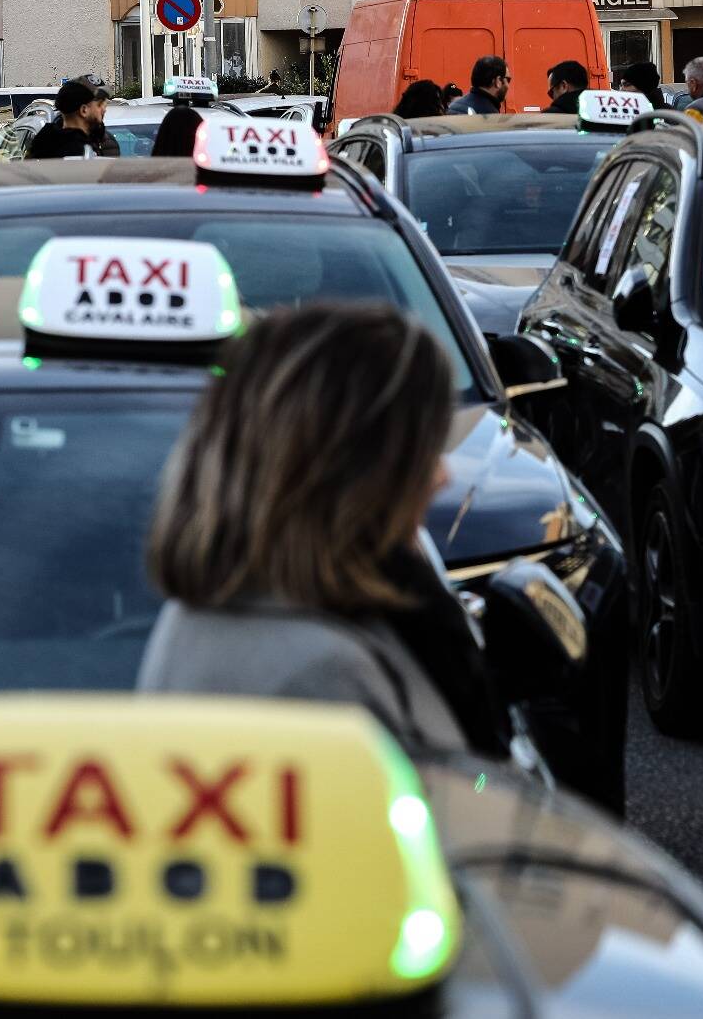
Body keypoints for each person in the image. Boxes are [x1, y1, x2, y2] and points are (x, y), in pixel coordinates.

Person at [140, 304, 510, 756]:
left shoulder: (229, 611)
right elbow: (452, 807)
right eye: (422, 453)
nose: (441, 477)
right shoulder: (321, 673)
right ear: (352, 472)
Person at [24, 80, 121, 160]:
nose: (104, 109)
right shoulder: (74, 151)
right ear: (84, 110)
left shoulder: (43, 143)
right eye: (99, 105)